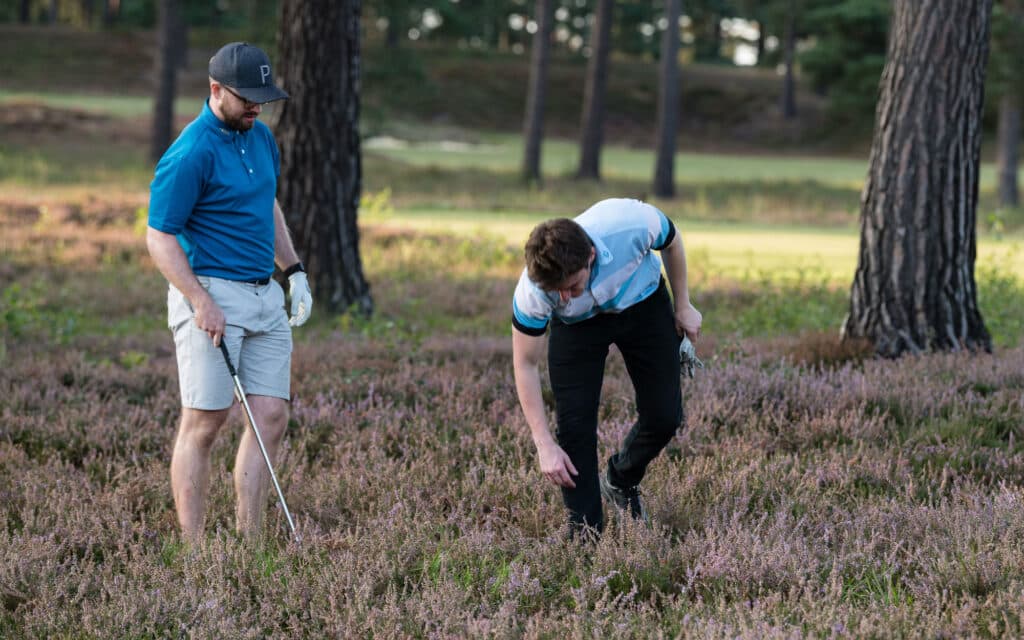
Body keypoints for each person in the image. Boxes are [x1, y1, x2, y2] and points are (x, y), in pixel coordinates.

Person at [146, 42, 312, 542]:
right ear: (216, 90)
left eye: (264, 97)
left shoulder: (260, 138)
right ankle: (195, 556)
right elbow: (159, 236)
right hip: (212, 294)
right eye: (247, 98)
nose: (257, 107)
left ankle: (251, 543)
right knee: (206, 420)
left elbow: (268, 206)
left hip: (265, 296)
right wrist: (200, 301)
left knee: (272, 416)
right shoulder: (190, 151)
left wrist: (295, 270)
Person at [511, 198, 702, 537]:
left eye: (571, 286)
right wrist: (543, 445)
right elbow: (525, 364)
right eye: (558, 292)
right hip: (577, 329)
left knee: (665, 416)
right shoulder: (535, 292)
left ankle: (621, 479)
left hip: (642, 304)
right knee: (574, 430)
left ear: (591, 257)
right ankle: (585, 532)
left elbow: (672, 241)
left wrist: (683, 304)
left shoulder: (630, 223)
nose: (565, 297)